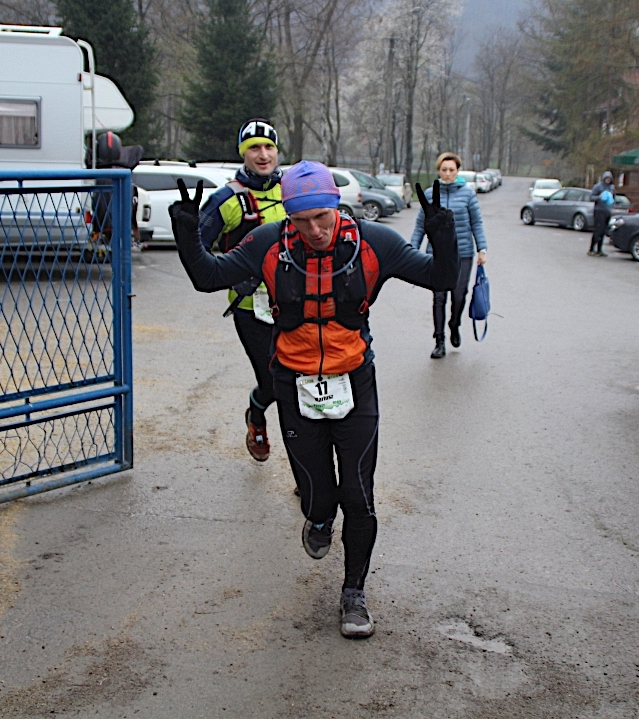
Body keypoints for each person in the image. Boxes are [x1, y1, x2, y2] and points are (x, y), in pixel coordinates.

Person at [169, 161, 458, 638]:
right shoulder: (269, 243)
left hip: (353, 382)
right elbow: (208, 276)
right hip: (294, 384)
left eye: (322, 217)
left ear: (336, 205)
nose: (315, 230)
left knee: (358, 496)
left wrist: (444, 237)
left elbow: (440, 277)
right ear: (288, 216)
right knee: (318, 497)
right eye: (301, 220)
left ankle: (354, 594)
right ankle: (319, 518)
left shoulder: (373, 243)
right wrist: (187, 235)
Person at [197, 120, 287, 464]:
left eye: (269, 147)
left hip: (297, 302)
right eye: (254, 148)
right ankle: (256, 414)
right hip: (252, 308)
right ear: (243, 154)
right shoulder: (227, 199)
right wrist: (232, 273)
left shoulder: (292, 189)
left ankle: (307, 471)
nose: (263, 155)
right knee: (274, 383)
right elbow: (198, 251)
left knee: (300, 384)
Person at [410, 152, 487, 358]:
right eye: (443, 170)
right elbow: (420, 225)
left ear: (457, 171)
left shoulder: (467, 194)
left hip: (463, 254)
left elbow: (476, 223)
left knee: (459, 295)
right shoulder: (430, 194)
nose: (447, 174)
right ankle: (439, 341)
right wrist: (411, 249)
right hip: (436, 254)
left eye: (451, 170)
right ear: (438, 171)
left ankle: (454, 324)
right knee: (439, 297)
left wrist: (482, 248)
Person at [588, 170, 615, 257]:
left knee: (603, 231)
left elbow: (613, 199)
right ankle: (591, 249)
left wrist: (612, 208)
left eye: (609, 178)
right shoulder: (598, 187)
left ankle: (599, 250)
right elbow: (591, 197)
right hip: (599, 211)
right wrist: (598, 197)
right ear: (604, 178)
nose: (608, 180)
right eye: (606, 178)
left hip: (607, 211)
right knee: (598, 230)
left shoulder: (612, 188)